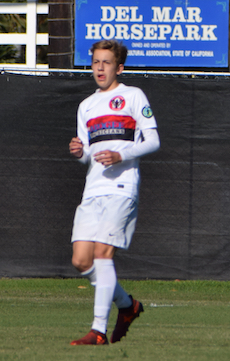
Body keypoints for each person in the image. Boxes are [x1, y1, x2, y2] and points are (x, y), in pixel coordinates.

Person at [68, 39, 160, 346]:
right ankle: (127, 306)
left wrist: (122, 155)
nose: (100, 68)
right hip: (92, 189)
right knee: (82, 260)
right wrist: (79, 151)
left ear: (119, 67)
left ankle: (98, 330)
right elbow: (86, 157)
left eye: (106, 62)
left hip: (122, 188)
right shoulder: (86, 106)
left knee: (102, 255)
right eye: (96, 62)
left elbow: (153, 141)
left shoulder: (133, 96)